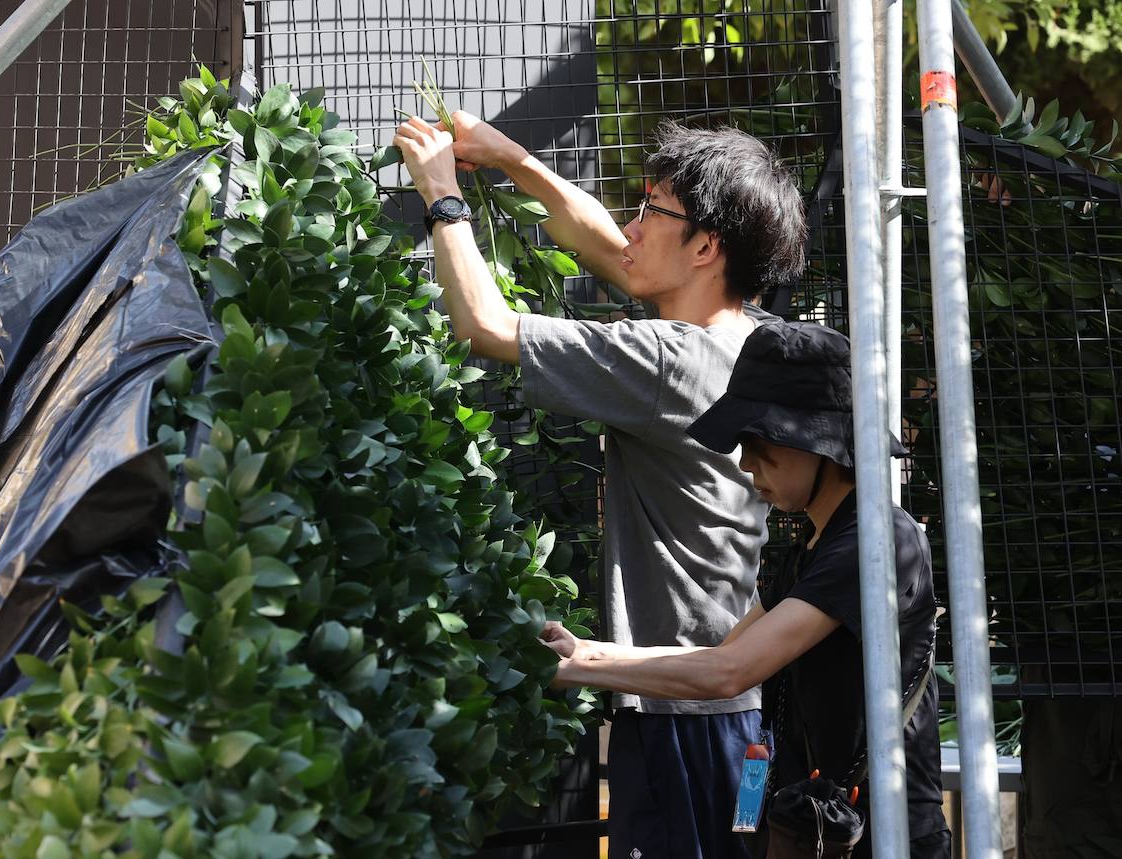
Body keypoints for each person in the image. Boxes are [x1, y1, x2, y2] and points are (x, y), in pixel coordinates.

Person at [392, 113, 807, 858]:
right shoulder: (745, 339)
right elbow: (613, 249)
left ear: (706, 248)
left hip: (681, 717)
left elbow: (483, 324)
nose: (631, 226)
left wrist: (443, 193)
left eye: (652, 211)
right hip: (740, 713)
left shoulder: (669, 360)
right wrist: (513, 156)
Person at [542, 320, 951, 858]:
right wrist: (585, 651)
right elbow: (724, 653)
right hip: (817, 821)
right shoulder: (816, 541)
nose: (745, 461)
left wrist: (572, 673)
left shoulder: (874, 542)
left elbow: (730, 673)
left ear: (822, 443)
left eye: (762, 441)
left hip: (883, 833)